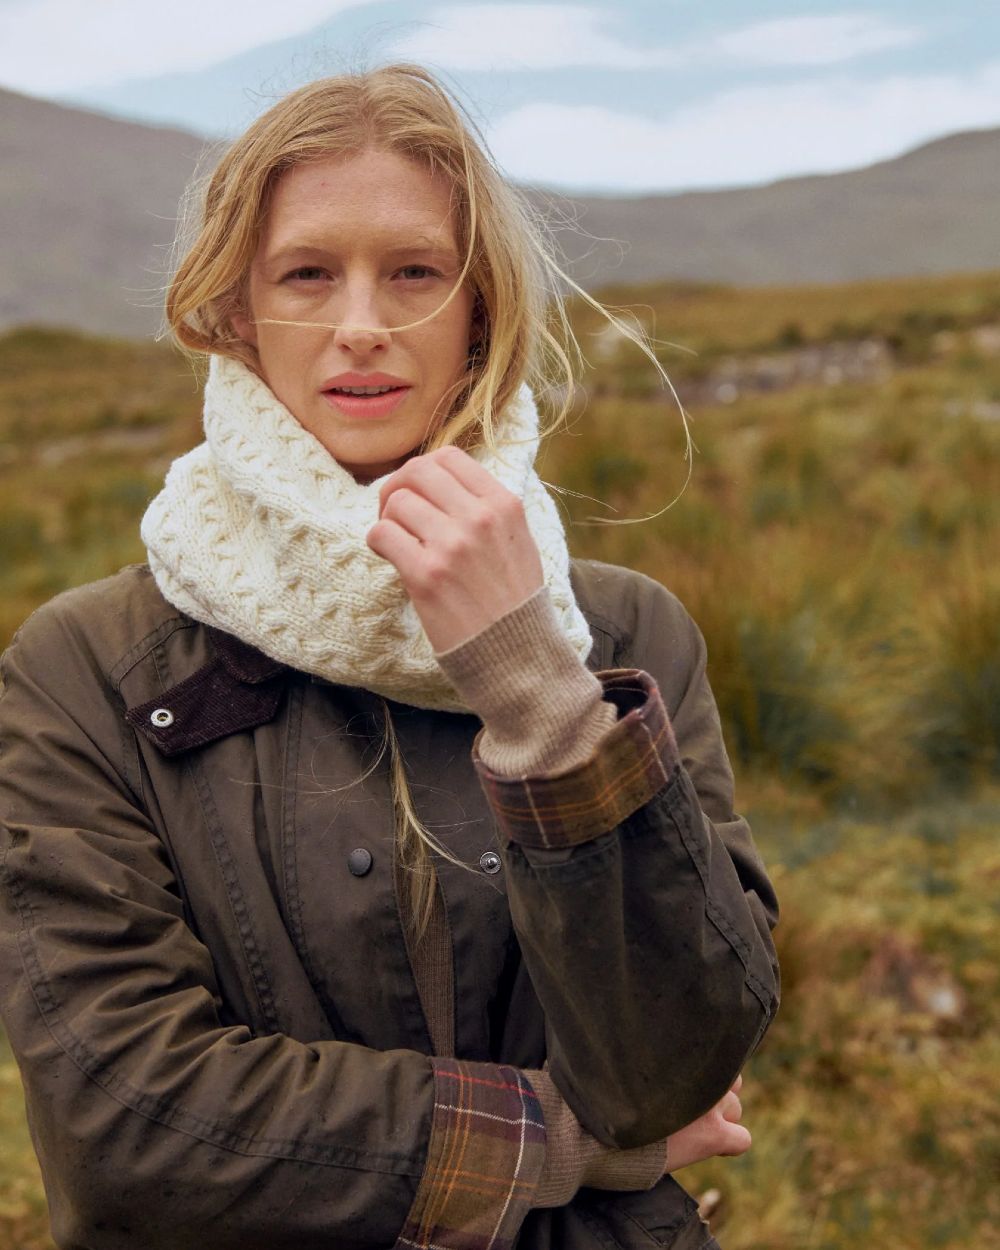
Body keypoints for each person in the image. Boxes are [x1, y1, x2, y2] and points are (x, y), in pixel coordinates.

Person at [0, 64, 779, 1250]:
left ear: (478, 308)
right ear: (237, 309)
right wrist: (564, 1141)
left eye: (414, 271)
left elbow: (673, 1062)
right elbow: (130, 1128)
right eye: (307, 272)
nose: (360, 319)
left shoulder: (620, 638)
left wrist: (532, 683)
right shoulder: (84, 665)